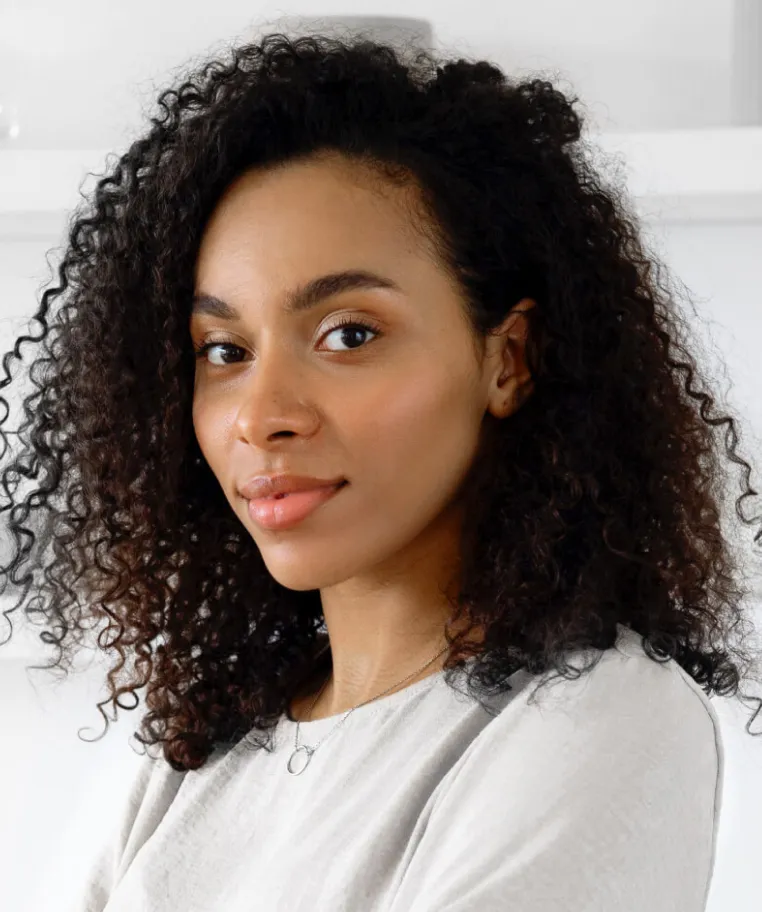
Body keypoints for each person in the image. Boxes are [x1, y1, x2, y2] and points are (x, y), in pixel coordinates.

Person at [7, 30, 761, 912]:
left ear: (509, 359)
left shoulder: (603, 717)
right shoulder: (197, 743)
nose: (260, 414)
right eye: (224, 350)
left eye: (349, 334)